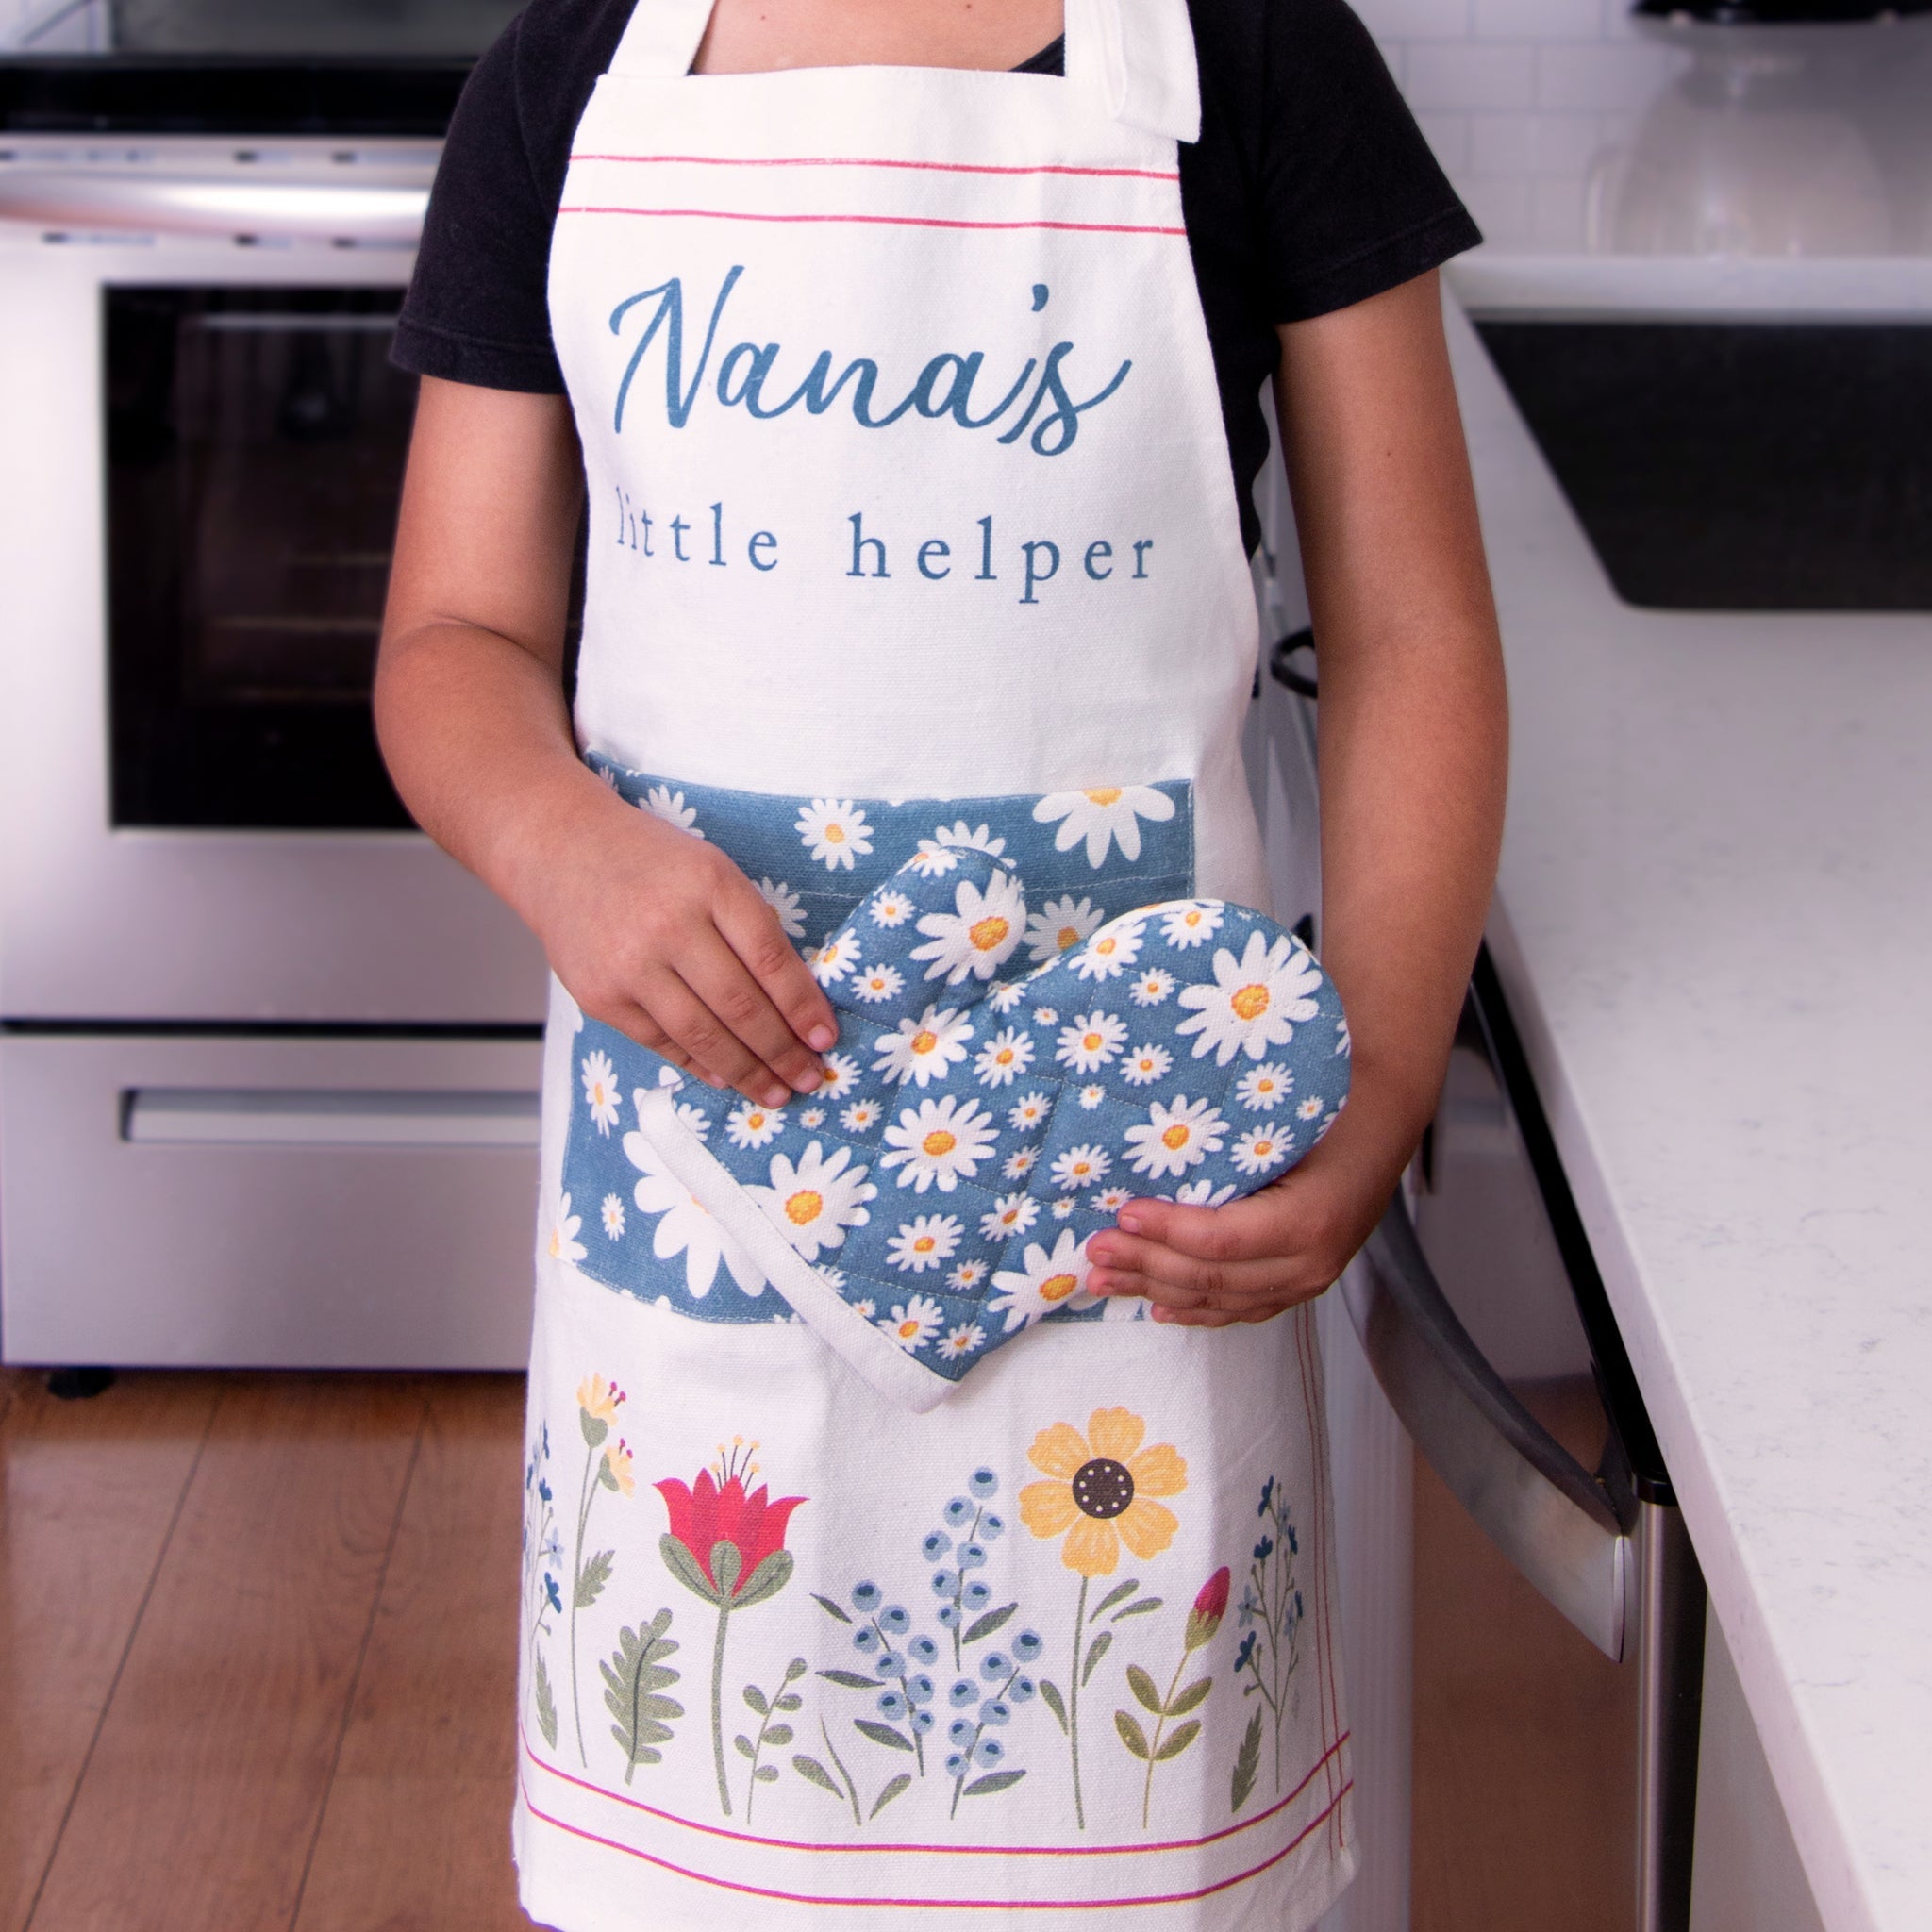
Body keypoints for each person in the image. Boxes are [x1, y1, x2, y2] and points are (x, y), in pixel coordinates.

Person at [375, 0, 1506, 1924]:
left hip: (1130, 1204)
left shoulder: (1250, 47)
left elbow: (1408, 627)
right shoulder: (566, 76)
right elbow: (454, 636)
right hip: (707, 1212)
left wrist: (1382, 1079)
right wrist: (559, 842)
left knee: (1128, 1841)